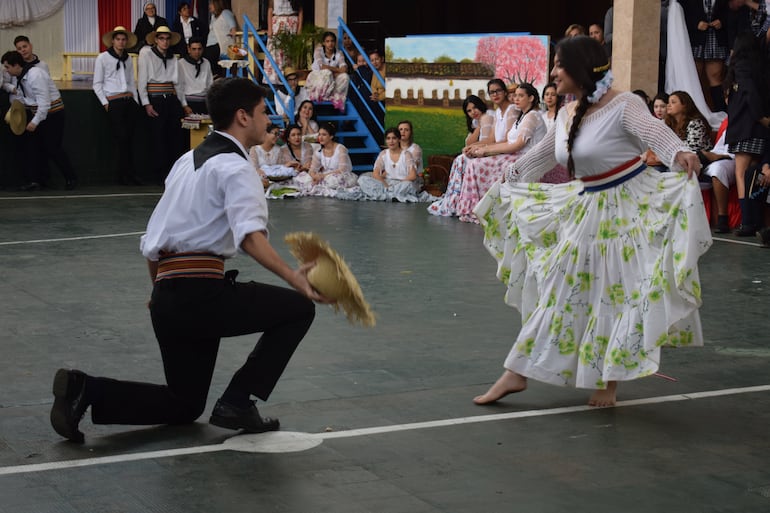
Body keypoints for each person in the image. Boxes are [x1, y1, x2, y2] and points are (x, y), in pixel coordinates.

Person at [49, 77, 329, 444]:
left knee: (184, 403)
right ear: (243, 117)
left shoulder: (185, 161)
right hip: (201, 295)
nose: (269, 121)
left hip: (167, 294)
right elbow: (249, 237)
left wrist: (159, 292)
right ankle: (238, 400)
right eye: (263, 113)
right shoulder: (235, 166)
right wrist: (295, 278)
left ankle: (86, 390)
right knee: (298, 309)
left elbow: (154, 239)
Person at [472, 35, 709, 408]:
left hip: (628, 210)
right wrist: (506, 184)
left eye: (558, 65)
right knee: (562, 290)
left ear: (580, 68)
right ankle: (517, 372)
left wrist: (678, 150)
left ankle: (607, 379)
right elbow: (543, 155)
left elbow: (653, 132)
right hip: (586, 208)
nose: (552, 72)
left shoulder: (624, 104)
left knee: (618, 293)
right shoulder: (567, 113)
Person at [458, 83, 561, 223]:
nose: (516, 98)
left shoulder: (532, 116)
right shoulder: (523, 117)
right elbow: (508, 143)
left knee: (477, 165)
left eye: (520, 96)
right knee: (474, 162)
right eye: (515, 95)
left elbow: (517, 145)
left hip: (526, 159)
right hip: (516, 155)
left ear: (531, 98)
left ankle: (488, 210)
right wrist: (483, 150)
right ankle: (474, 208)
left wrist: (486, 150)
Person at [427, 79, 517, 217]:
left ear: (504, 92)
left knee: (467, 161)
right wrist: (472, 147)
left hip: (506, 151)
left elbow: (506, 140)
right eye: (491, 92)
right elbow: (490, 139)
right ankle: (457, 201)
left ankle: (472, 205)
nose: (495, 94)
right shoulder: (498, 112)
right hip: (496, 148)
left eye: (498, 91)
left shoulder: (509, 110)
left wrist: (481, 148)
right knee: (461, 158)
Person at [1, 51, 78, 191]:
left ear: (16, 65)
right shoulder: (20, 78)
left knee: (53, 148)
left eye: (7, 67)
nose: (6, 70)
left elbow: (45, 102)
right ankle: (36, 180)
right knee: (33, 148)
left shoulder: (35, 75)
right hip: (36, 112)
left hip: (52, 114)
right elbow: (21, 98)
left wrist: (34, 122)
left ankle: (71, 177)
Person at [723, 30, 770, 236]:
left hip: (745, 127)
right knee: (754, 175)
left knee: (741, 173)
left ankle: (747, 221)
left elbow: (749, 94)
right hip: (758, 129)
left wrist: (760, 116)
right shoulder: (761, 67)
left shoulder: (741, 67)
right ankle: (755, 219)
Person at [93, 26, 144, 185]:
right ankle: (121, 176)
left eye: (123, 39)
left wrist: (135, 100)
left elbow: (130, 81)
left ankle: (130, 174)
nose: (121, 42)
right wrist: (106, 103)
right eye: (118, 39)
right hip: (114, 102)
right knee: (121, 139)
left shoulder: (128, 59)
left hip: (129, 101)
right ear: (113, 41)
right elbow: (97, 84)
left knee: (130, 140)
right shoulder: (103, 58)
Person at [138, 26, 185, 182]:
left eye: (167, 38)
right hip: (155, 98)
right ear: (156, 40)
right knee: (157, 137)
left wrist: (183, 103)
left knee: (174, 136)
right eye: (161, 38)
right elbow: (142, 81)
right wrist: (146, 103)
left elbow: (178, 83)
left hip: (171, 98)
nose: (165, 42)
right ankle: (158, 173)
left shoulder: (173, 58)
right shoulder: (146, 55)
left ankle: (173, 172)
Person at [680, 0, 729, 111]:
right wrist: (695, 24)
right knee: (694, 76)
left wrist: (722, 21)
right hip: (696, 38)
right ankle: (693, 111)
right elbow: (681, 12)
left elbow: (730, 12)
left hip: (716, 37)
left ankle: (720, 111)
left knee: (716, 76)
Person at [356, 127, 420, 202]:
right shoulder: (383, 154)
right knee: (362, 179)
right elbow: (376, 173)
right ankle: (390, 195)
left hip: (401, 183)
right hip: (386, 183)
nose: (391, 141)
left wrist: (398, 184)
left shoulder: (406, 154)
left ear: (399, 139)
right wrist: (386, 185)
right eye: (388, 138)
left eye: (394, 138)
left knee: (408, 185)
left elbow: (413, 175)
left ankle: (383, 195)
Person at [294, 122, 357, 196]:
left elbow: (342, 170)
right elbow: (312, 169)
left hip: (340, 175)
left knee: (335, 179)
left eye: (324, 135)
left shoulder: (340, 148)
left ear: (331, 136)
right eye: (319, 134)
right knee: (302, 176)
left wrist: (323, 176)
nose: (320, 137)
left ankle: (320, 185)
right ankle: (319, 185)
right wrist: (314, 176)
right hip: (324, 176)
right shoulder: (318, 151)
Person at [306, 31, 349, 111]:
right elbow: (322, 66)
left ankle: (336, 98)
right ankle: (320, 96)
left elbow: (344, 68)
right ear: (324, 43)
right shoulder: (318, 50)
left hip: (330, 79)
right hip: (316, 78)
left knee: (345, 77)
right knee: (327, 73)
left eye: (332, 41)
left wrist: (337, 71)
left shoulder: (339, 53)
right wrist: (337, 70)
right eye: (327, 41)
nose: (330, 44)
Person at [264, 0, 303, 84]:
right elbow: (270, 10)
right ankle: (274, 77)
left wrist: (299, 29)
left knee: (288, 52)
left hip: (291, 23)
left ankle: (289, 76)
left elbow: (300, 10)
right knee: (275, 50)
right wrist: (270, 28)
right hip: (278, 22)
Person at [177, 36, 213, 115]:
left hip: (204, 102)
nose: (197, 52)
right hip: (188, 101)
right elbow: (179, 87)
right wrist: (184, 105)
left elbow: (210, 84)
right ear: (188, 49)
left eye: (199, 49)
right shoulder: (181, 63)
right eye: (194, 49)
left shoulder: (206, 63)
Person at [205, 0, 237, 78]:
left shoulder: (226, 13)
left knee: (208, 55)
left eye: (211, 4)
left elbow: (233, 29)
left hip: (220, 44)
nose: (209, 6)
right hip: (210, 45)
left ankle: (215, 76)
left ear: (216, 4)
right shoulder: (213, 17)